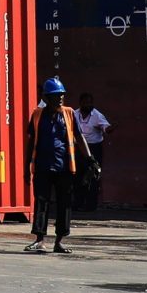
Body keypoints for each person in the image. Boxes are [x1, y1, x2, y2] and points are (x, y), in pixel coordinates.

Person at [25, 78, 91, 254]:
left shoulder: (69, 114)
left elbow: (79, 137)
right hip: (42, 167)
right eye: (56, 96)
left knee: (64, 204)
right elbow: (30, 143)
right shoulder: (37, 115)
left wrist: (90, 159)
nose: (60, 98)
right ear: (47, 97)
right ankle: (39, 240)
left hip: (64, 168)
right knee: (41, 203)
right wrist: (26, 168)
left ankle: (59, 241)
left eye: (62, 95)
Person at [73, 94, 111, 208]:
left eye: (90, 103)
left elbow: (106, 127)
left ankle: (90, 204)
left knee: (93, 175)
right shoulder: (74, 114)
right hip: (78, 148)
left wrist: (110, 128)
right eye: (86, 102)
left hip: (94, 148)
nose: (88, 105)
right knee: (77, 175)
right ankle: (77, 202)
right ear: (80, 103)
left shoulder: (97, 115)